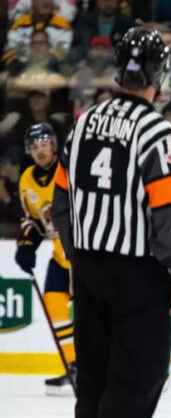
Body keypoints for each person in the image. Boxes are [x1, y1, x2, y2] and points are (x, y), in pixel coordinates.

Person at [52, 27, 171, 418]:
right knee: (137, 379)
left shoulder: (85, 120)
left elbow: (61, 202)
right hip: (138, 273)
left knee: (92, 378)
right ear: (160, 73)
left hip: (89, 268)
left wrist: (77, 257)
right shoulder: (156, 131)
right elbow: (169, 211)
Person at [14, 123, 75, 395]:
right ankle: (75, 365)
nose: (40, 150)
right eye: (34, 146)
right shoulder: (26, 179)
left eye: (44, 144)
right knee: (54, 305)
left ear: (54, 145)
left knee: (99, 316)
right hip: (60, 256)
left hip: (85, 256)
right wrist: (27, 244)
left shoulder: (69, 170)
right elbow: (32, 220)